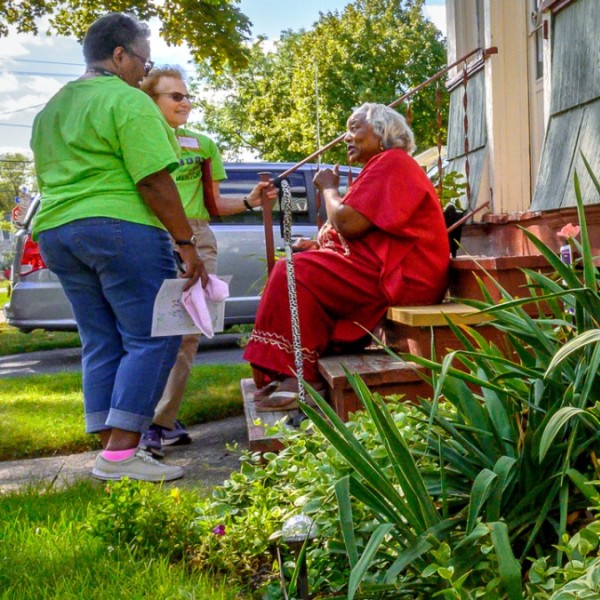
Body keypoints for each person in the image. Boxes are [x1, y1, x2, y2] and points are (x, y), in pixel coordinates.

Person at [30, 13, 206, 482]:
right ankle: (122, 456)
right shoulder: (127, 101)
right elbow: (153, 179)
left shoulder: (53, 108)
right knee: (156, 334)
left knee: (102, 339)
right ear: (120, 55)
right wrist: (185, 242)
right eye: (142, 63)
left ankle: (112, 450)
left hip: (57, 231)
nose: (143, 75)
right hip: (120, 227)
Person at [244, 102, 451, 409]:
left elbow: (349, 223)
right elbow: (367, 232)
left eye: (355, 128)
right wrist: (318, 247)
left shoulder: (394, 162)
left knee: (294, 271)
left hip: (404, 275)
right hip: (382, 268)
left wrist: (329, 188)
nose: (346, 138)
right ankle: (297, 370)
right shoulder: (382, 165)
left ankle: (300, 374)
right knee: (300, 268)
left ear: (382, 134)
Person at [138, 66, 277, 456]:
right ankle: (135, 419)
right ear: (151, 101)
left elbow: (213, 204)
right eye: (174, 96)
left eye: (187, 96)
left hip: (197, 235)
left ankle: (160, 422)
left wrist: (250, 201)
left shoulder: (202, 145)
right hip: (150, 232)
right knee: (145, 331)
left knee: (187, 332)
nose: (185, 102)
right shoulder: (140, 139)